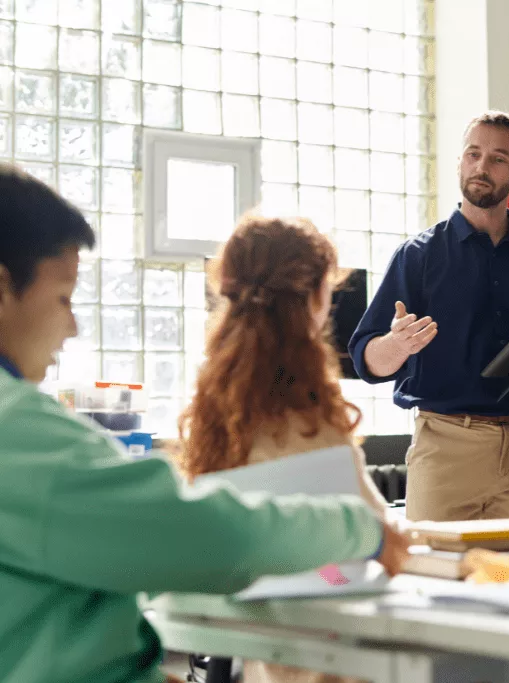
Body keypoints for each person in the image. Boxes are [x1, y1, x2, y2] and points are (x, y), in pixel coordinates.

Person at [0, 163, 409, 683]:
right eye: (63, 297)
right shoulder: (17, 431)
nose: (74, 324)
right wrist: (361, 531)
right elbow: (209, 533)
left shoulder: (214, 405)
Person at [349, 111, 509, 523]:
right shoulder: (418, 257)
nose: (481, 167)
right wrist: (396, 345)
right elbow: (366, 360)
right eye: (473, 154)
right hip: (446, 445)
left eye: (498, 159)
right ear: (461, 161)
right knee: (439, 572)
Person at [177, 214, 391, 683]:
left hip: (261, 641)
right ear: (315, 296)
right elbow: (372, 536)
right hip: (326, 636)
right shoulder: (308, 409)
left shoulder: (215, 405)